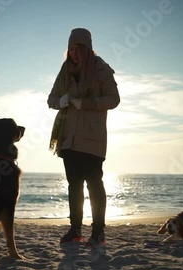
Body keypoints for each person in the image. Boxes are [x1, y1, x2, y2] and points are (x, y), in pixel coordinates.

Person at [47, 28, 120, 246]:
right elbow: (51, 99)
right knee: (73, 185)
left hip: (92, 139)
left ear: (87, 49)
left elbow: (114, 99)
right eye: (70, 49)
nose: (74, 54)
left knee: (94, 184)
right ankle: (75, 230)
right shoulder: (65, 70)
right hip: (68, 138)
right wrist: (62, 101)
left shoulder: (101, 69)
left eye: (78, 49)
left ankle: (98, 232)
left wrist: (88, 104)